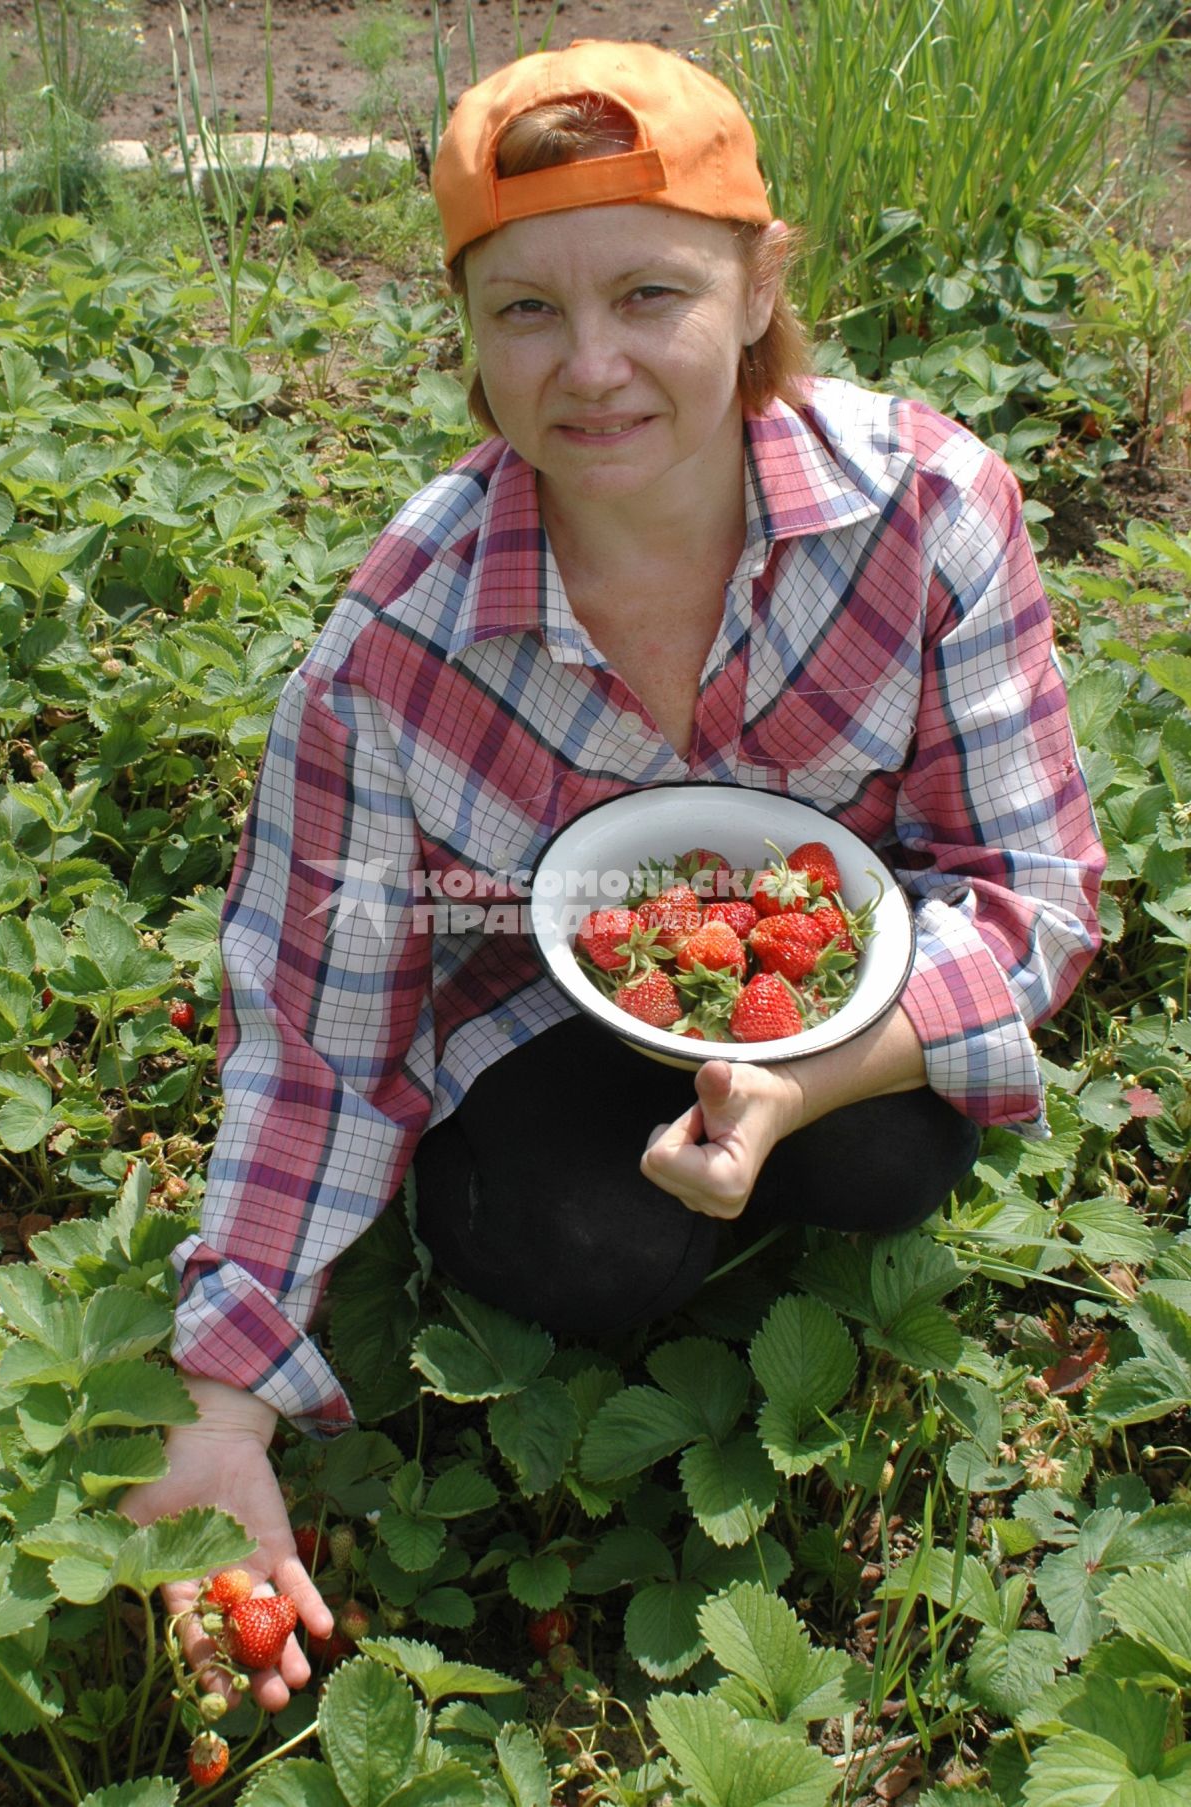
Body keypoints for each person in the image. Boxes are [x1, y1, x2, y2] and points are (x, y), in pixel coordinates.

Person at [124, 39, 1104, 1707]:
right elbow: (315, 1018)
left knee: (883, 1167)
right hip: (535, 1007)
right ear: (466, 329)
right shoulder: (397, 652)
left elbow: (1034, 889)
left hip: (823, 991)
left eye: (651, 293)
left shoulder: (931, 509)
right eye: (524, 310)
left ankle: (804, 1157)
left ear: (759, 278)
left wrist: (810, 1081)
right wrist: (217, 1401)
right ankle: (650, 1223)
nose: (592, 368)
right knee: (579, 1250)